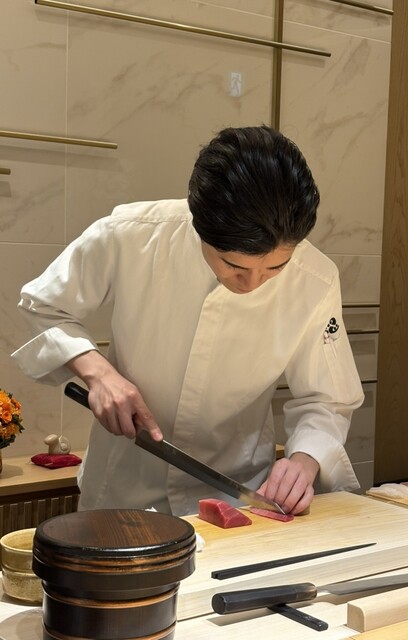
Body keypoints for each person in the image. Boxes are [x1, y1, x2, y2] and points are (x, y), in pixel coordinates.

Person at [11, 125, 364, 516]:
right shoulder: (132, 235)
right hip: (124, 489)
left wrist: (304, 461)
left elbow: (326, 399)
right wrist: (98, 373)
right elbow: (42, 304)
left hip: (239, 496)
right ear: (199, 225)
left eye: (275, 268)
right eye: (233, 265)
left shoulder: (315, 278)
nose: (251, 284)